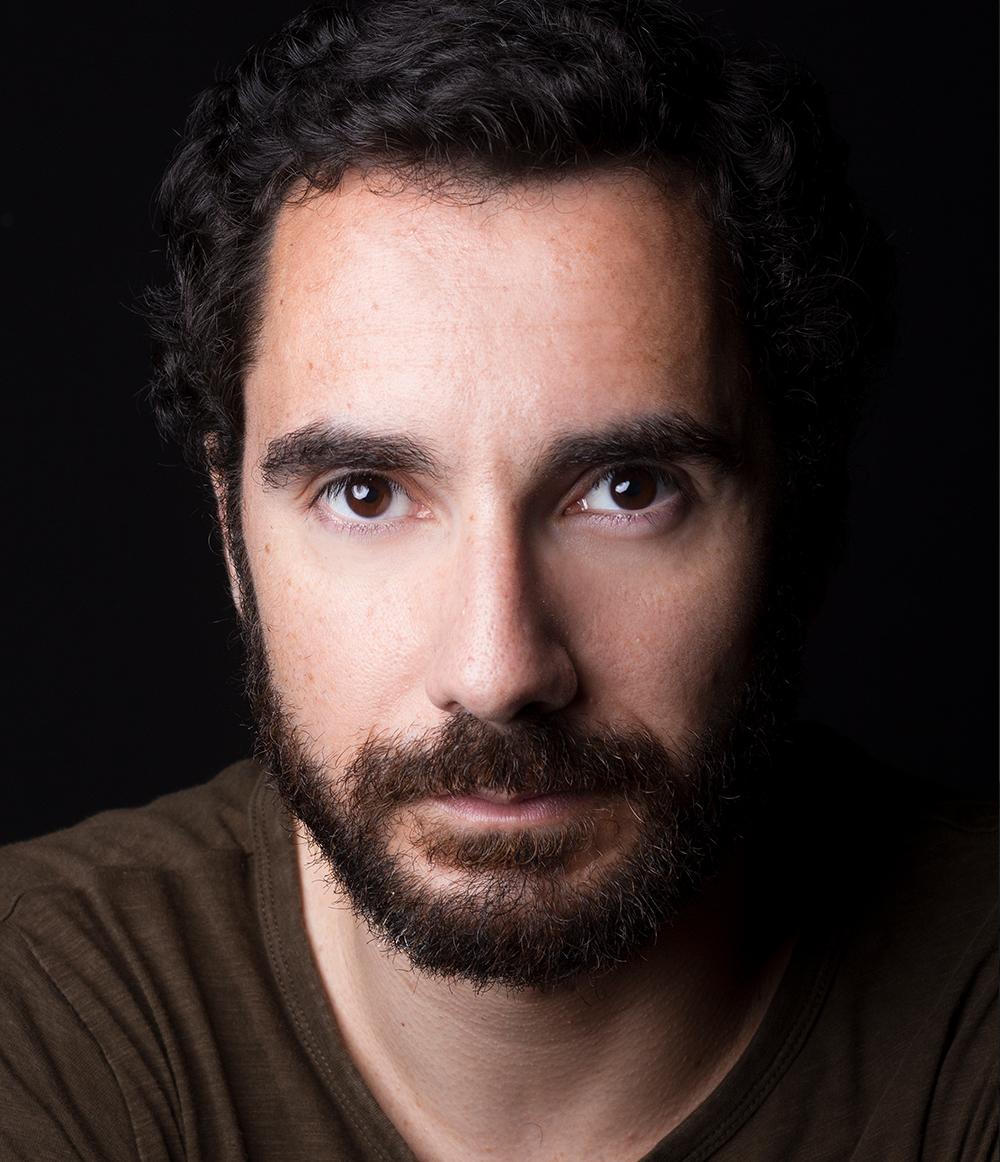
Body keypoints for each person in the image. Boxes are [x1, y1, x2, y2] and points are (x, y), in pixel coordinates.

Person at [1, 1, 995, 1158]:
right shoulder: (39, 1016)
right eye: (366, 493)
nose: (498, 670)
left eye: (626, 489)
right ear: (232, 535)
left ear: (798, 517)